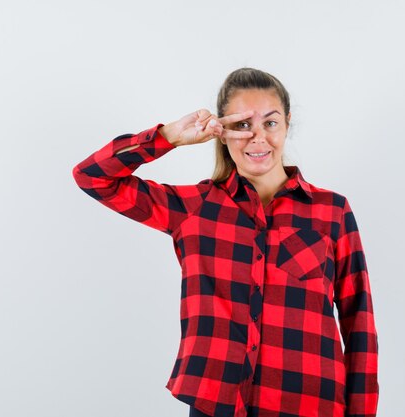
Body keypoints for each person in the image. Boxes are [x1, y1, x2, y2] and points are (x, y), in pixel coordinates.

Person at [72, 67, 379, 417]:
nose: (258, 138)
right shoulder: (194, 208)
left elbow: (359, 322)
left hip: (308, 404)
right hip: (215, 404)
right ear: (222, 132)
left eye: (270, 123)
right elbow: (92, 177)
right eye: (243, 125)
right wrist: (169, 136)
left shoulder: (331, 212)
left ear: (288, 124)